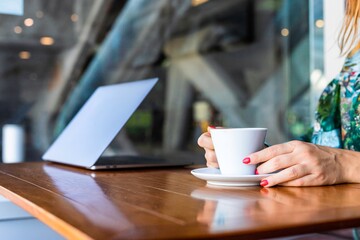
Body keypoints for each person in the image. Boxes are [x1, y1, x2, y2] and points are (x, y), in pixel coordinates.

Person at [197, 0, 360, 187]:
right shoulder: (352, 65)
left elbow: (336, 160)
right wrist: (257, 157)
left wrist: (344, 164)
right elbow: (324, 150)